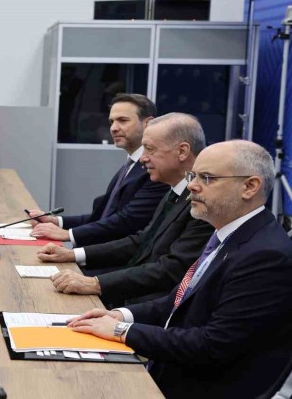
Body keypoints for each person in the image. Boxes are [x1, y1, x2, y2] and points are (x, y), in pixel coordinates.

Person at [66, 140, 292, 398]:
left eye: (207, 178)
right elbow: (176, 302)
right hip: (169, 371)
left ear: (250, 187)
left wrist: (121, 332)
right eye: (192, 176)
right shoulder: (227, 234)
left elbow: (211, 345)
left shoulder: (266, 256)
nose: (192, 186)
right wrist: (120, 316)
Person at [36, 113, 213, 307]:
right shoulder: (174, 190)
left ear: (182, 151)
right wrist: (73, 254)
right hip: (133, 292)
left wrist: (95, 284)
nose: (143, 158)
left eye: (150, 149)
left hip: (150, 305)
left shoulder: (203, 201)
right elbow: (142, 241)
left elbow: (172, 269)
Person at [29, 94, 169, 247]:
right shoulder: (130, 164)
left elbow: (127, 221)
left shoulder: (155, 169)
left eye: (122, 120)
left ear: (148, 123)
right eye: (111, 122)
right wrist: (56, 221)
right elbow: (103, 216)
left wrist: (67, 234)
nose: (113, 128)